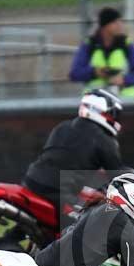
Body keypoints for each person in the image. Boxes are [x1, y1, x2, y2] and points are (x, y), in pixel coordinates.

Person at [22, 88, 125, 228]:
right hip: (57, 193)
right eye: (114, 114)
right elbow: (117, 174)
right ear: (103, 111)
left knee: (31, 226)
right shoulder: (104, 140)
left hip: (31, 182)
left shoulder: (63, 127)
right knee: (86, 232)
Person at [68, 7, 134, 97]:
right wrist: (95, 72)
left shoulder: (127, 45)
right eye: (115, 22)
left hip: (126, 101)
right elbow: (74, 74)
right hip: (96, 103)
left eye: (120, 22)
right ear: (105, 26)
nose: (120, 25)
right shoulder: (89, 45)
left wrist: (124, 80)